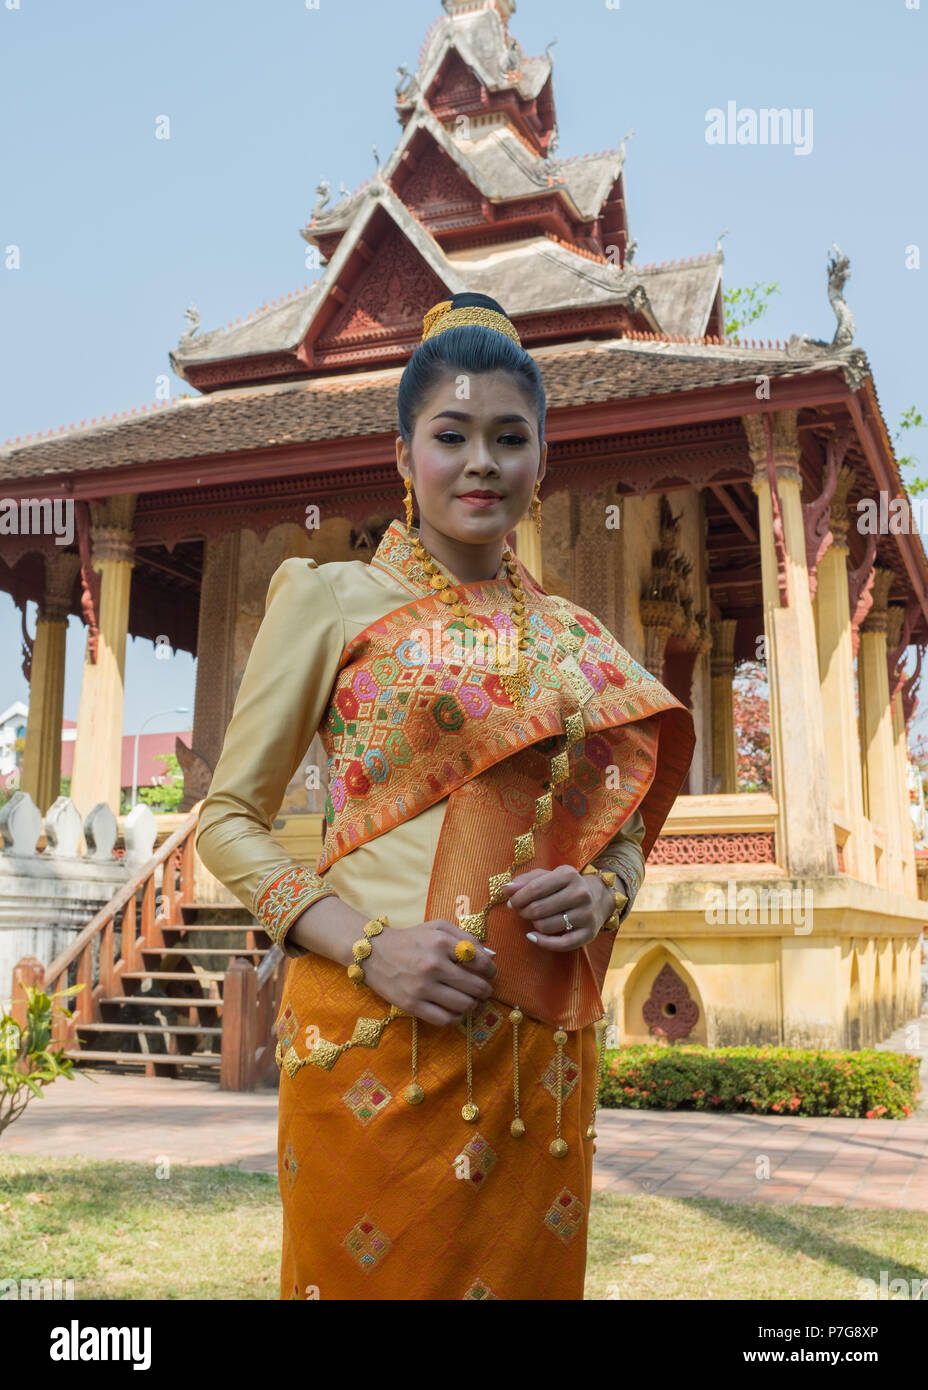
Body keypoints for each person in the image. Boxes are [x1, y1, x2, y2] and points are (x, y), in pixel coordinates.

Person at [195, 291, 695, 1300]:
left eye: (509, 438)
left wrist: (605, 895)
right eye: (451, 435)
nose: (480, 462)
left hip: (533, 1063)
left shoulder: (574, 639)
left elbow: (622, 831)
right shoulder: (331, 599)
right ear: (402, 456)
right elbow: (227, 822)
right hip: (370, 1038)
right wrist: (371, 947)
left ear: (540, 463)